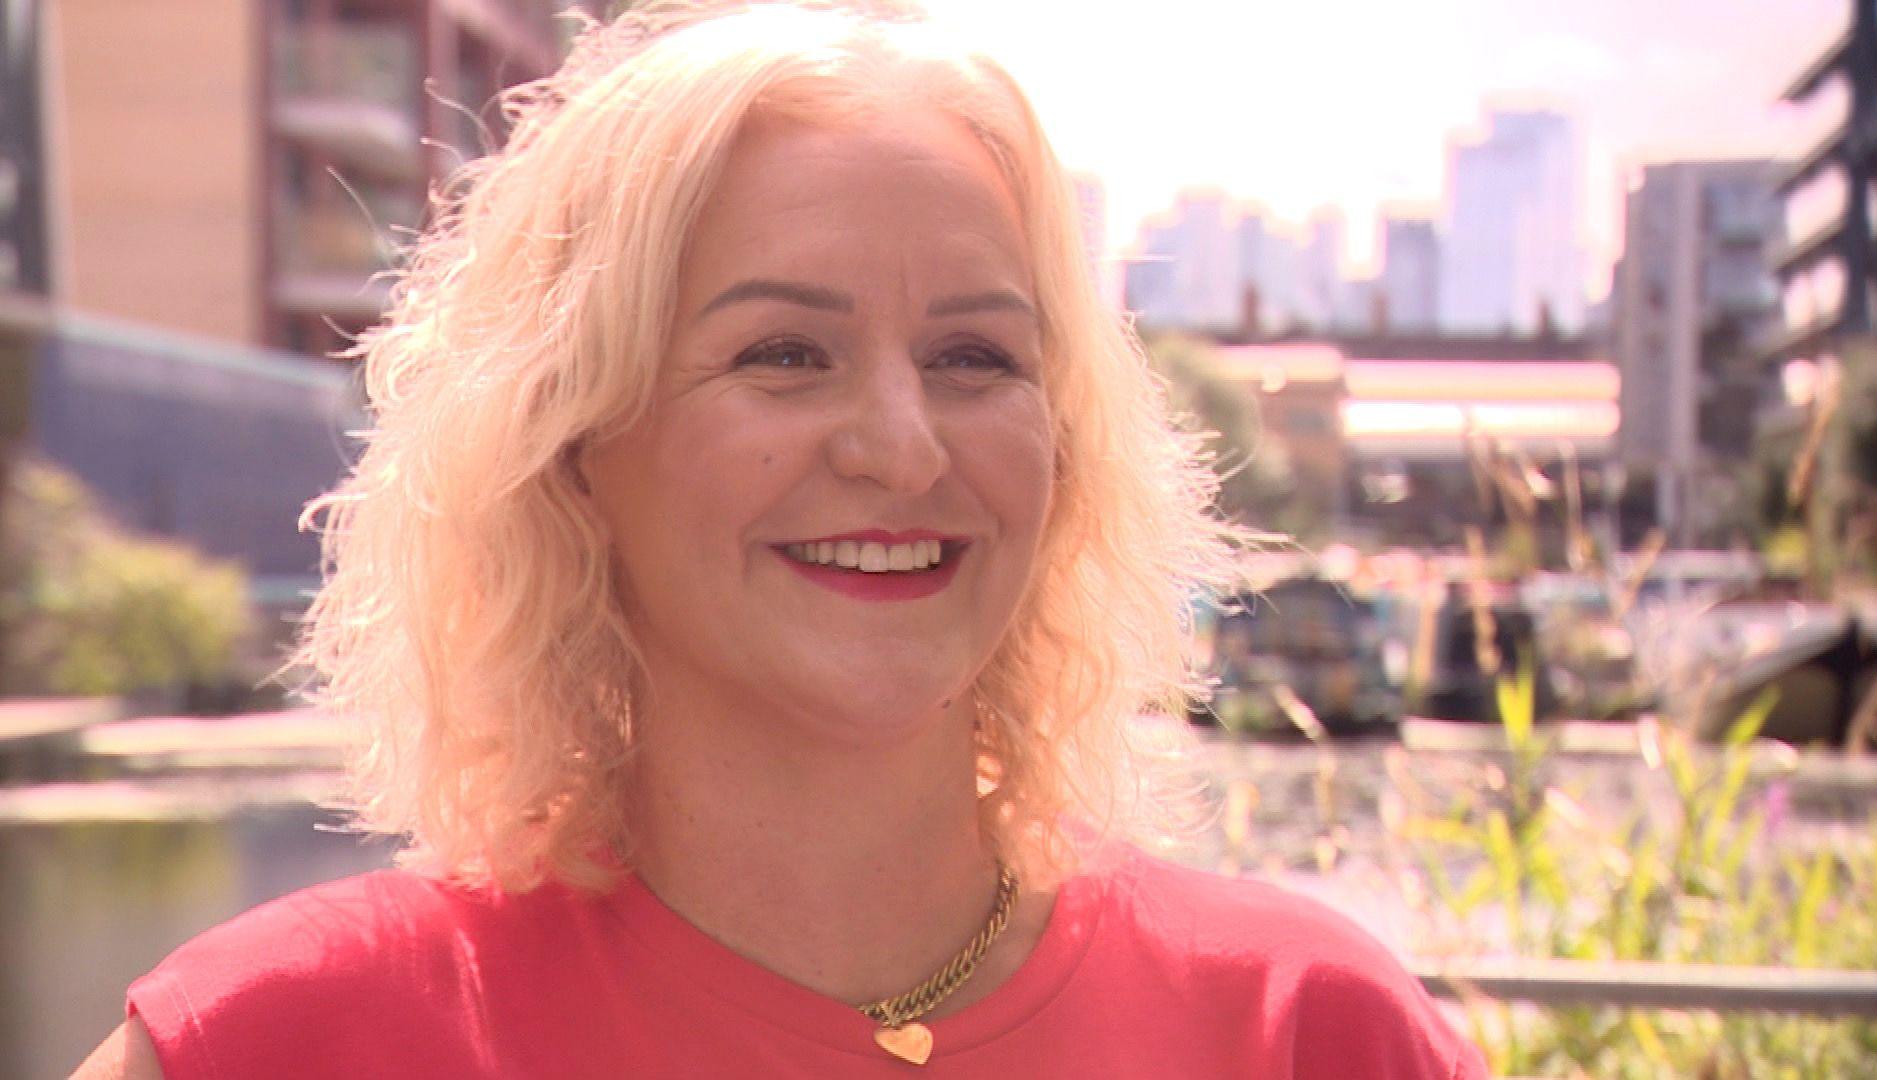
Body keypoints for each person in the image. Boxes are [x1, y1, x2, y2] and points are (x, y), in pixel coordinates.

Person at [79, 3, 1486, 1076]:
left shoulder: (1309, 1030)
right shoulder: (278, 1044)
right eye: (785, 353)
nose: (902, 443)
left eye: (977, 358)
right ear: (572, 444)